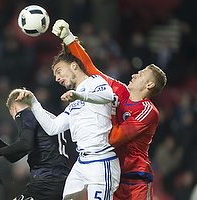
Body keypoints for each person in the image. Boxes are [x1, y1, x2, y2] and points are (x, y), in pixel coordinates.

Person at [52, 19, 167, 200]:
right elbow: (91, 69)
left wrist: (110, 111)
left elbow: (113, 139)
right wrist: (68, 38)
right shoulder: (121, 92)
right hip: (113, 172)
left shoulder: (148, 112)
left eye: (142, 74)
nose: (135, 74)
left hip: (136, 179)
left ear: (150, 85)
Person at [15, 37, 121, 199]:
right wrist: (34, 102)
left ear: (74, 66)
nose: (57, 78)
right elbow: (53, 128)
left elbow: (107, 96)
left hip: (101, 160)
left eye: (59, 71)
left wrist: (79, 95)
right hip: (82, 162)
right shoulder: (74, 102)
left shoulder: (95, 82)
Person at [0, 88, 71, 200]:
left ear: (14, 109)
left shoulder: (25, 114)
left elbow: (25, 144)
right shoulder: (49, 118)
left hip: (45, 182)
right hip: (62, 183)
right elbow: (14, 156)